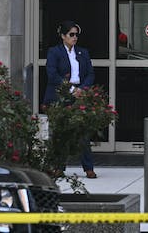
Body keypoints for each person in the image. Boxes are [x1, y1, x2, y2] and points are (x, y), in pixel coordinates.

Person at [43, 20, 97, 178]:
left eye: (76, 35)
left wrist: (81, 89)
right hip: (61, 95)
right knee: (60, 132)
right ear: (63, 36)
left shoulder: (82, 52)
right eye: (71, 34)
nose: (74, 38)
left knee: (82, 132)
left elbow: (90, 74)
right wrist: (71, 89)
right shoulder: (55, 52)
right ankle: (59, 167)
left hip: (79, 94)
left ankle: (88, 168)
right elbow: (52, 75)